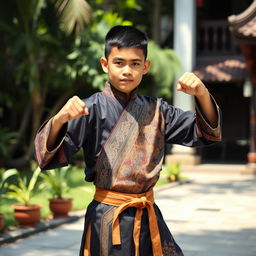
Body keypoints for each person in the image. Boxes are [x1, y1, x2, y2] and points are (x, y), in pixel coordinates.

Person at [34, 25, 221, 256]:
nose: (127, 71)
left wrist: (202, 93)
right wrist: (61, 118)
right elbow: (46, 156)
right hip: (107, 219)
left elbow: (207, 133)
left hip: (148, 218)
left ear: (146, 67)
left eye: (135, 64)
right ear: (105, 65)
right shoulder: (89, 109)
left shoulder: (158, 111)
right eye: (119, 62)